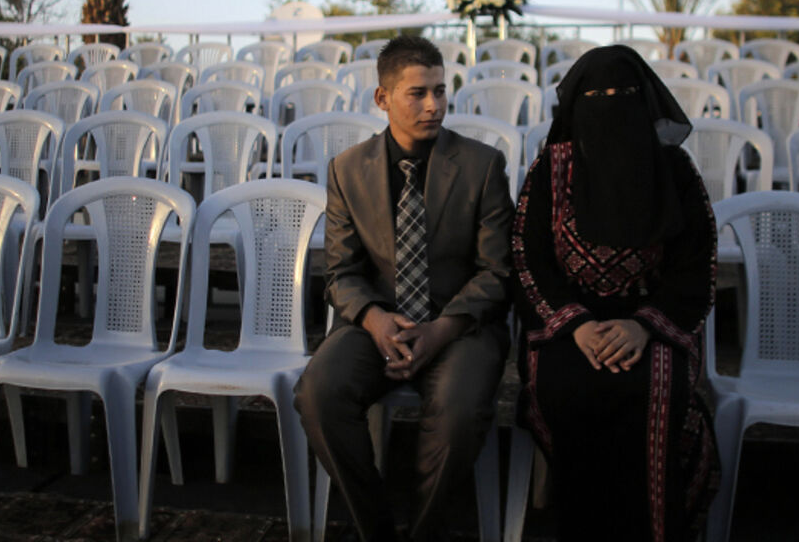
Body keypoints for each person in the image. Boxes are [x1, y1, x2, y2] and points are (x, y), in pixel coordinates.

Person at [294, 35, 514, 542]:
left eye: (440, 90)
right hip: (379, 321)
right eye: (417, 93)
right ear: (382, 98)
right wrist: (373, 320)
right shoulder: (347, 170)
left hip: (460, 326)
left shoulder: (482, 165)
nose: (434, 105)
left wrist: (440, 330)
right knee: (317, 393)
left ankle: (424, 531)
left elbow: (496, 271)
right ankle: (375, 529)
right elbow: (341, 272)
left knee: (459, 413)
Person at [512, 45, 719, 541]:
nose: (609, 106)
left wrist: (642, 324)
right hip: (567, 326)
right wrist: (577, 323)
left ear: (644, 100)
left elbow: (696, 263)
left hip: (650, 324)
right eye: (596, 95)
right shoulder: (551, 168)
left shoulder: (674, 169)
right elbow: (525, 254)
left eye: (623, 95)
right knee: (568, 389)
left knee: (656, 390)